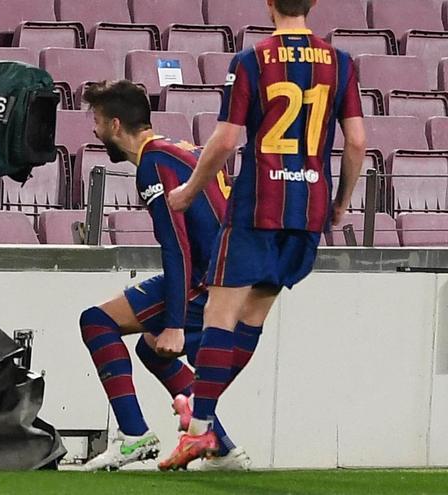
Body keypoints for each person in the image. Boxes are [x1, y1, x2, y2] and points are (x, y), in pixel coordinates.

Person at [159, 0, 366, 470]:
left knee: (220, 315)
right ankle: (201, 415)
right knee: (252, 318)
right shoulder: (341, 62)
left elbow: (227, 139)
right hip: (308, 207)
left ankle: (199, 425)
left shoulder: (252, 59)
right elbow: (356, 141)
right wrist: (341, 202)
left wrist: (190, 190)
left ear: (269, 3)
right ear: (313, 3)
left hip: (259, 204)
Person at [78, 81, 254, 471]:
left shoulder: (153, 166)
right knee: (150, 349)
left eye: (98, 121)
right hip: (231, 273)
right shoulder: (179, 150)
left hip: (209, 280)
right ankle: (220, 448)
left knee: (97, 322)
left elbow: (177, 247)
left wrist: (174, 324)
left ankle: (134, 436)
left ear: (115, 125)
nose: (94, 129)